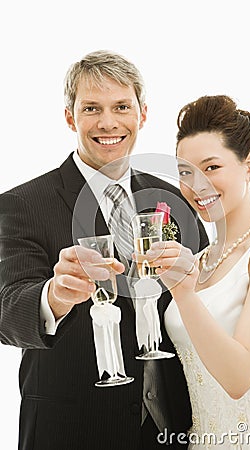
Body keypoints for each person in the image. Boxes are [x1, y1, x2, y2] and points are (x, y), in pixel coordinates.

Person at [0, 50, 209, 450]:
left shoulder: (172, 199)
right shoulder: (21, 204)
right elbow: (7, 310)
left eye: (121, 107)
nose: (108, 122)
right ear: (69, 117)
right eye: (92, 108)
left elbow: (214, 291)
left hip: (175, 426)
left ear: (142, 114)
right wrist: (55, 296)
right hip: (73, 429)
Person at [146, 95, 250, 449]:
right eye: (186, 173)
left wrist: (183, 295)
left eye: (211, 167)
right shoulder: (198, 260)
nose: (197, 185)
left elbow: (238, 377)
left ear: (249, 166)